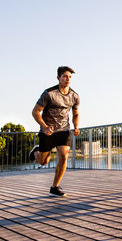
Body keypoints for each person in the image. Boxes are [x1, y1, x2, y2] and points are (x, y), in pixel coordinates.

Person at [28, 66, 80, 197]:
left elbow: (75, 114)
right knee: (43, 161)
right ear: (59, 78)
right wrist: (44, 126)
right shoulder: (49, 93)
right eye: (65, 76)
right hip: (48, 131)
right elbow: (35, 112)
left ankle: (54, 187)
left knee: (64, 155)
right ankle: (36, 152)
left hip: (64, 130)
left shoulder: (74, 96)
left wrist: (76, 126)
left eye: (70, 77)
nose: (68, 79)